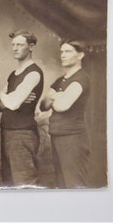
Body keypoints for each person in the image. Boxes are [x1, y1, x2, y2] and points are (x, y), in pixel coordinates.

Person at [40, 39, 90, 188]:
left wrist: (54, 97)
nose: (63, 55)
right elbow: (43, 105)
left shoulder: (81, 78)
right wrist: (57, 96)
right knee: (61, 185)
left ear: (80, 55)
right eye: (62, 51)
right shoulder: (60, 80)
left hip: (73, 138)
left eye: (68, 51)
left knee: (74, 185)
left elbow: (62, 106)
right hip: (57, 135)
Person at [0, 29, 44, 187]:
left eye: (20, 45)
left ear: (30, 47)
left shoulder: (34, 73)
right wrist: (7, 97)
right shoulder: (13, 74)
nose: (15, 48)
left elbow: (12, 104)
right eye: (13, 45)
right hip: (7, 131)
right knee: (9, 183)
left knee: (24, 183)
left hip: (22, 134)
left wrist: (4, 95)